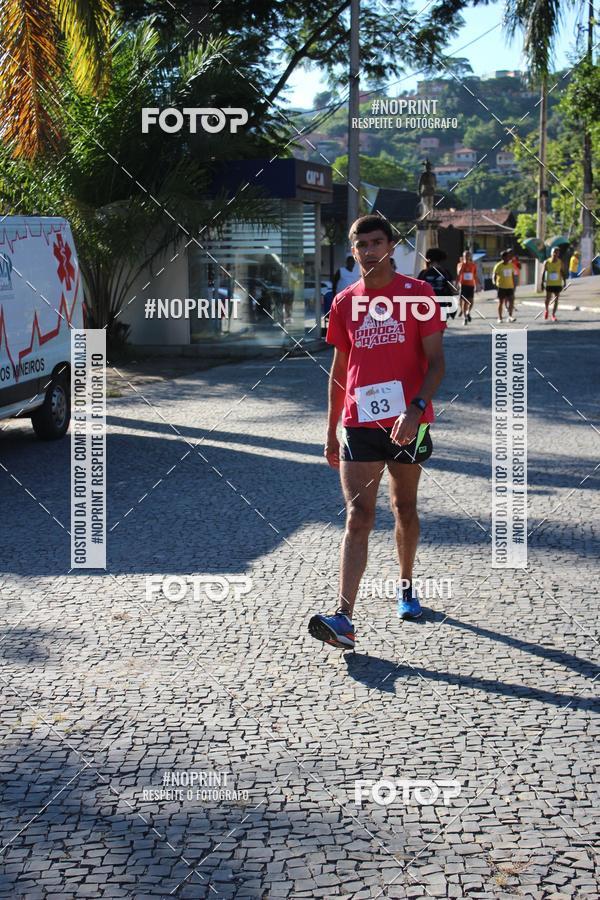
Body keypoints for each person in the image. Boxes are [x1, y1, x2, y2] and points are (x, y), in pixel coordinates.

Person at [308, 214, 446, 650]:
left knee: (404, 507)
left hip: (408, 421)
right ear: (353, 250)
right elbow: (339, 370)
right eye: (360, 244)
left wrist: (416, 408)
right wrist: (332, 429)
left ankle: (406, 587)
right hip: (358, 422)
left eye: (376, 242)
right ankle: (344, 618)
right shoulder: (345, 302)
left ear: (391, 246)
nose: (368, 250)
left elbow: (437, 362)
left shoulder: (418, 294)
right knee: (358, 516)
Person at [417, 248, 458, 319]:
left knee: (428, 328)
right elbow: (452, 289)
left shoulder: (423, 273)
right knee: (440, 328)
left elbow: (417, 290)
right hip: (442, 306)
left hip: (427, 306)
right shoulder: (445, 273)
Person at [456, 249, 480, 325]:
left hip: (471, 285)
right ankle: (465, 317)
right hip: (463, 285)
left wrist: (477, 285)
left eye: (468, 256)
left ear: (470, 257)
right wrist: (457, 284)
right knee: (464, 302)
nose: (466, 257)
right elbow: (459, 274)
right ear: (463, 257)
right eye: (465, 256)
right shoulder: (461, 264)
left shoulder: (473, 265)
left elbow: (475, 276)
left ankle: (468, 312)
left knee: (471, 301)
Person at [493, 250, 516, 323]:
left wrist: (514, 284)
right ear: (502, 257)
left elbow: (512, 275)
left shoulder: (511, 265)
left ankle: (510, 316)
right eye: (506, 257)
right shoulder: (498, 266)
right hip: (501, 286)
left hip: (510, 286)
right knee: (501, 302)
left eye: (508, 257)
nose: (508, 258)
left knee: (511, 301)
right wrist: (494, 283)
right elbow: (494, 275)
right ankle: (499, 318)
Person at [542, 247, 565, 322]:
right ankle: (546, 310)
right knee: (547, 299)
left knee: (556, 299)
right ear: (551, 253)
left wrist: (564, 281)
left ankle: (553, 315)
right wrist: (542, 283)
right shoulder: (547, 262)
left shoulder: (560, 262)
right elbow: (543, 273)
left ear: (558, 254)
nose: (555, 254)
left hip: (557, 284)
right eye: (554, 252)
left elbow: (562, 272)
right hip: (549, 283)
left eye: (557, 252)